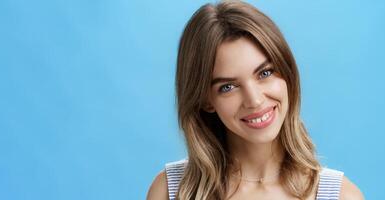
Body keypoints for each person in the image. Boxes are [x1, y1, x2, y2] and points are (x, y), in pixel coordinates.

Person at [147, 1, 364, 199]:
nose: (255, 100)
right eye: (228, 87)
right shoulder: (170, 191)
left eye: (265, 73)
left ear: (287, 73)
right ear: (206, 100)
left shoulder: (341, 195)